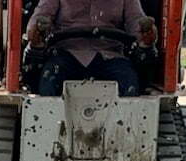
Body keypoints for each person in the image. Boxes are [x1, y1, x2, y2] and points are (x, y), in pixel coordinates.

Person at [26, 0, 158, 98]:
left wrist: (145, 32)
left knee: (129, 82)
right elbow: (41, 16)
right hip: (66, 53)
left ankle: (130, 130)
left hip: (110, 55)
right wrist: (37, 30)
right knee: (49, 81)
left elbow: (136, 20)